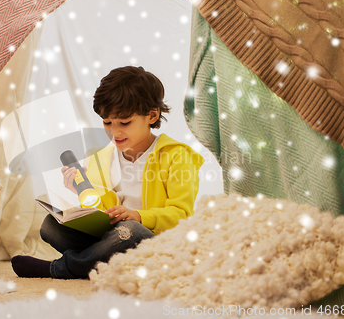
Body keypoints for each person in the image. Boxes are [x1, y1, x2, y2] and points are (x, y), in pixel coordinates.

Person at [11, 66, 204, 279]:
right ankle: (100, 262)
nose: (115, 132)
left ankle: (60, 269)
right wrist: (80, 192)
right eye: (107, 122)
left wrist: (140, 216)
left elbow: (182, 215)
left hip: (150, 241)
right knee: (50, 226)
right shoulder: (100, 157)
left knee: (130, 230)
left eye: (125, 123)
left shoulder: (176, 156)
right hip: (113, 239)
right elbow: (101, 213)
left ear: (152, 115)